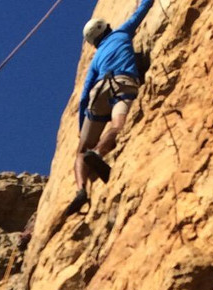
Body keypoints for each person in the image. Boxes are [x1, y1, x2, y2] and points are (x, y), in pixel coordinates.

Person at [65, 0, 155, 216]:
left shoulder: (96, 59)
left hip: (99, 90)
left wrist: (81, 129)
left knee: (81, 150)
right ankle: (98, 152)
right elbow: (143, 8)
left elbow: (85, 94)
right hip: (123, 83)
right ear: (106, 27)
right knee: (118, 125)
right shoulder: (121, 33)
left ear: (94, 42)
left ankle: (80, 191)